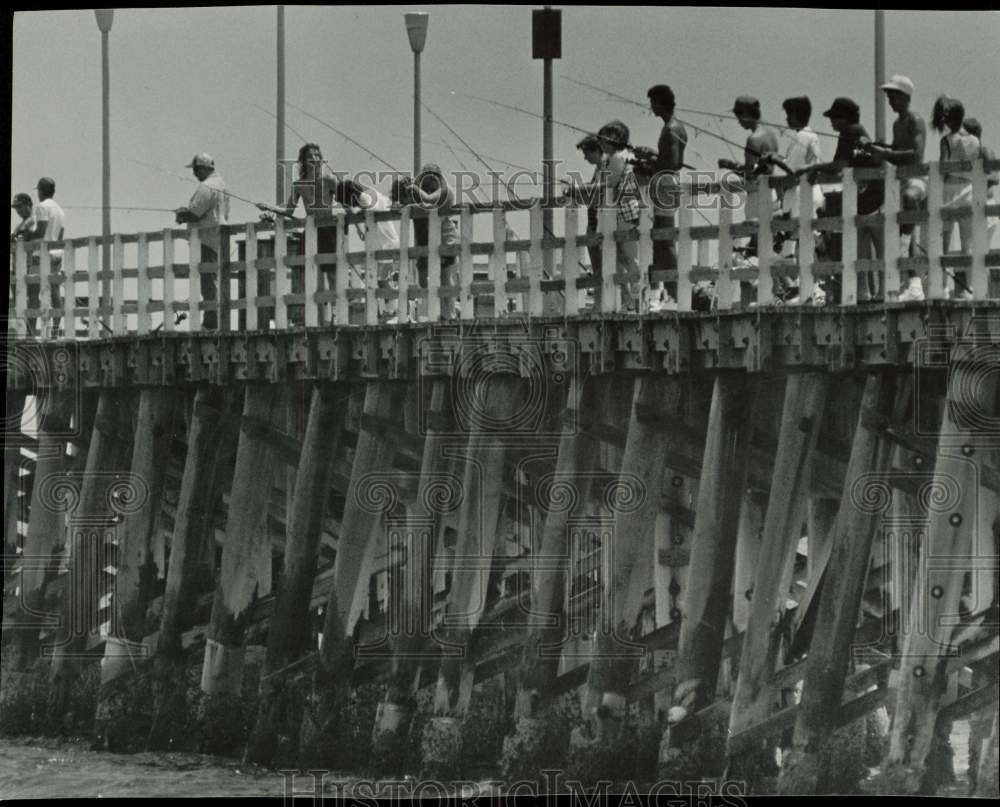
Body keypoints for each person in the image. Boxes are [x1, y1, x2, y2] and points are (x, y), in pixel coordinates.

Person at [801, 97, 883, 301]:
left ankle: (866, 291)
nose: (831, 122)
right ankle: (874, 291)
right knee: (873, 246)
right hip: (871, 195)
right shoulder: (859, 131)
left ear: (844, 118)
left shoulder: (849, 132)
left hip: (871, 196)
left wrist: (816, 167)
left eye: (834, 117)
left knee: (867, 245)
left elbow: (840, 164)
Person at [257, 142, 341, 323]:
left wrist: (356, 226)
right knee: (306, 273)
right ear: (303, 161)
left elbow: (346, 201)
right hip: (311, 231)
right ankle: (308, 316)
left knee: (332, 274)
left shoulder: (329, 179)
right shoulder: (299, 185)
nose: (316, 159)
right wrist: (269, 208)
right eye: (311, 156)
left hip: (329, 230)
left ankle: (336, 314)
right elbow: (289, 211)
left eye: (318, 156)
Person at [864, 75, 928, 301]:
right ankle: (912, 286)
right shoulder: (896, 123)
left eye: (893, 97)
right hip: (898, 181)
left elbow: (915, 155)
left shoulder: (915, 120)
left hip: (916, 179)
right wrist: (877, 148)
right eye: (889, 97)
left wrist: (886, 154)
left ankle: (911, 274)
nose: (890, 101)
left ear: (905, 97)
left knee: (911, 200)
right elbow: (897, 151)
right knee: (892, 228)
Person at [566, 121, 642, 311]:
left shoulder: (617, 158)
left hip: (624, 212)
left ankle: (638, 298)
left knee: (629, 258)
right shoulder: (620, 157)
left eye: (603, 141)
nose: (601, 145)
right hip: (619, 214)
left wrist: (579, 189)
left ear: (612, 141)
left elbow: (608, 184)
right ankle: (631, 301)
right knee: (620, 260)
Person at [762, 96, 824, 302]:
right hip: (808, 195)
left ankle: (809, 289)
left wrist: (774, 159)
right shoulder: (810, 136)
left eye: (789, 115)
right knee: (799, 242)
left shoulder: (802, 138)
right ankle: (803, 288)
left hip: (801, 197)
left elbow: (794, 172)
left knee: (800, 242)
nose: (786, 119)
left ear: (797, 115)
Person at [391, 163, 458, 320]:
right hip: (429, 239)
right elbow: (417, 202)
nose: (429, 182)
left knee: (445, 277)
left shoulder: (445, 190)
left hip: (445, 237)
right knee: (426, 280)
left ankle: (449, 314)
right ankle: (444, 310)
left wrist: (414, 188)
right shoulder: (425, 191)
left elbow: (427, 200)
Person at [175, 153, 229, 329]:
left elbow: (195, 213)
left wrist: (182, 214)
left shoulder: (206, 187)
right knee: (214, 280)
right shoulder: (221, 185)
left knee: (208, 282)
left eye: (197, 169)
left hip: (205, 239)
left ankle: (211, 322)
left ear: (205, 168)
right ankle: (217, 319)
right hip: (218, 236)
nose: (194, 173)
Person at [646, 84, 687, 309]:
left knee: (665, 237)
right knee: (660, 238)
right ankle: (669, 289)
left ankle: (674, 289)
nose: (651, 108)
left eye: (653, 102)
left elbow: (670, 164)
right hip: (669, 181)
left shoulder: (670, 129)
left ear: (660, 103)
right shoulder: (678, 127)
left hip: (665, 183)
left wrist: (650, 160)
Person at [933, 96, 979, 297]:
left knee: (945, 241)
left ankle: (943, 286)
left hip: (950, 190)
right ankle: (970, 287)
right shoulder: (974, 140)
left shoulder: (947, 141)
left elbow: (943, 167)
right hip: (968, 189)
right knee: (967, 243)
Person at [339, 178, 401, 321]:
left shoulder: (364, 199)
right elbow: (388, 203)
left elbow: (361, 211)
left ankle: (396, 309)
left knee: (382, 280)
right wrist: (360, 228)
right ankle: (389, 310)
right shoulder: (376, 195)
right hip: (386, 241)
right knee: (382, 279)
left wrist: (349, 210)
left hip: (384, 244)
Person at [719, 96, 780, 223]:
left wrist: (731, 168)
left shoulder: (753, 139)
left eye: (738, 116)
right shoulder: (771, 135)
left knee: (756, 238)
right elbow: (762, 167)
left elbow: (750, 175)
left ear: (746, 114)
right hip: (772, 194)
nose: (738, 121)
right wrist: (737, 166)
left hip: (757, 197)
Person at [572, 133, 607, 284]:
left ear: (595, 151)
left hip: (601, 221)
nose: (585, 158)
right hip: (593, 220)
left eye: (586, 153)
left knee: (605, 262)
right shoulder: (599, 168)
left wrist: (580, 189)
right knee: (598, 263)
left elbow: (602, 190)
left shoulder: (607, 167)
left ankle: (623, 299)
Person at [962, 116, 999, 252]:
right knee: (970, 251)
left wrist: (974, 179)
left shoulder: (985, 152)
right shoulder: (963, 155)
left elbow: (995, 177)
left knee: (980, 254)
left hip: (986, 204)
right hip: (971, 207)